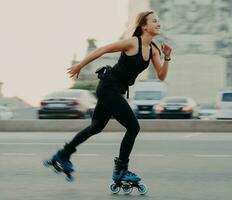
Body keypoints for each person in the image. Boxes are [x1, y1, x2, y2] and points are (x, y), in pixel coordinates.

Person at [48, 10, 172, 182]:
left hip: (116, 90)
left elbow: (161, 75)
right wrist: (80, 65)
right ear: (144, 27)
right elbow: (103, 49)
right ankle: (121, 170)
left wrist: (167, 58)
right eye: (154, 21)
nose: (158, 23)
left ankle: (63, 154)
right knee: (133, 127)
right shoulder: (132, 43)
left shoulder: (153, 50)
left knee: (96, 127)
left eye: (158, 21)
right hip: (108, 87)